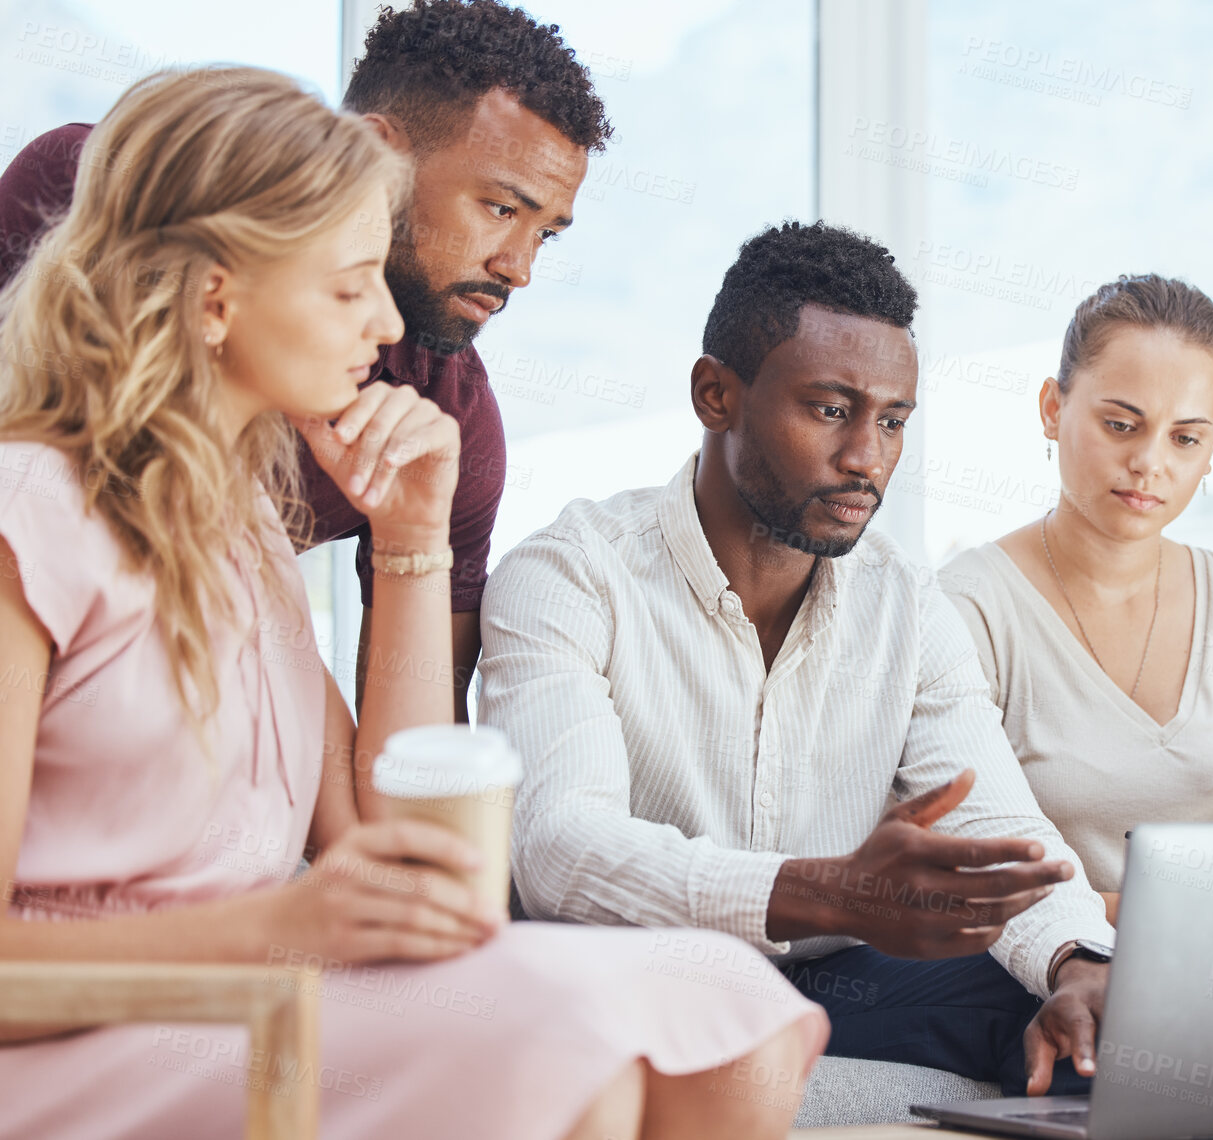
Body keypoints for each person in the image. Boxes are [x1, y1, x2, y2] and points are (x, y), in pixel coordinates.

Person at [0, 68, 824, 1140]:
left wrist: (411, 538)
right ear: (214, 299)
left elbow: (387, 825)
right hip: (77, 1044)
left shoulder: (239, 526)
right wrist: (274, 931)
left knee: (726, 1001)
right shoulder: (28, 510)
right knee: (561, 1044)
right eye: (348, 287)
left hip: (239, 1007)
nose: (386, 319)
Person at [479, 221, 1117, 1097]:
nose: (868, 459)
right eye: (830, 410)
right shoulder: (570, 573)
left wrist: (1076, 962)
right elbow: (561, 851)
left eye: (892, 421)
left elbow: (1000, 835)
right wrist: (829, 893)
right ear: (716, 395)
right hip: (635, 983)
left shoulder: (903, 600)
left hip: (840, 982)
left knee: (1107, 1031)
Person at [0, 0, 610, 721]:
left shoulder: (444, 431)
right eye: (501, 210)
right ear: (377, 152)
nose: (519, 269)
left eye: (547, 234)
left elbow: (409, 764)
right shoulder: (98, 187)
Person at [939, 275, 1213, 925]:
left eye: (1185, 438)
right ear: (1051, 409)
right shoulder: (970, 608)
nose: (1150, 462)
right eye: (1121, 424)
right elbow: (965, 866)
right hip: (1038, 974)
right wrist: (1160, 917)